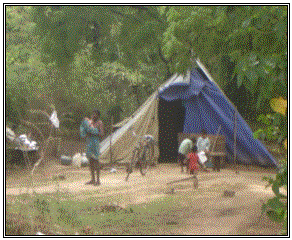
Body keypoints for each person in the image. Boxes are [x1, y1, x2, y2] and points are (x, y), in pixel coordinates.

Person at [80, 109, 104, 186]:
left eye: (95, 114)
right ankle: (93, 179)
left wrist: (94, 131)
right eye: (93, 114)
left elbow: (102, 134)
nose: (93, 115)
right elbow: (85, 132)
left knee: (96, 161)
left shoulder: (99, 123)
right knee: (90, 161)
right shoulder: (90, 123)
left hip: (95, 143)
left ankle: (98, 180)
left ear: (98, 115)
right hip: (89, 143)